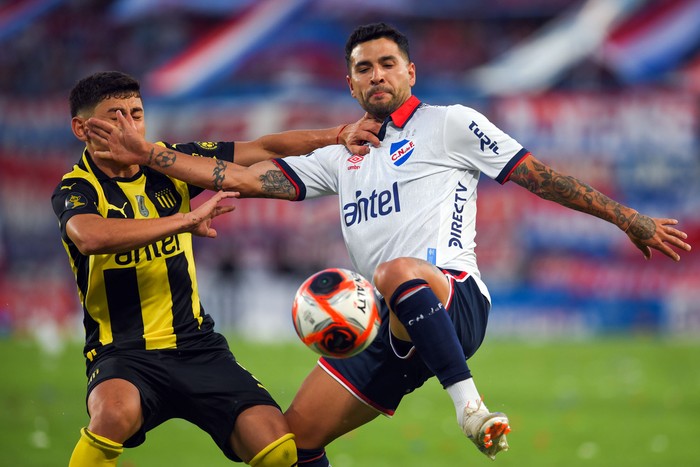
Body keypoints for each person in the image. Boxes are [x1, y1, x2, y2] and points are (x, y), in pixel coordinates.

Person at [86, 23, 692, 464]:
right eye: (363, 68)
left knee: (398, 269)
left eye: (387, 63)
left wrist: (627, 219)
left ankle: (471, 409)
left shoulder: (451, 123)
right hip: (382, 324)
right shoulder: (342, 157)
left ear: (410, 73)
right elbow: (245, 177)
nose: (376, 74)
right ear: (350, 83)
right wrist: (153, 155)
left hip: (452, 300)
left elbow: (540, 176)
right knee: (285, 445)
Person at [52, 70, 380, 467]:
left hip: (195, 345)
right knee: (112, 415)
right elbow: (90, 236)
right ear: (82, 128)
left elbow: (262, 146)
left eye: (136, 114)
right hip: (122, 352)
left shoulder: (168, 163)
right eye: (115, 116)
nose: (129, 126)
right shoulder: (77, 188)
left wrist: (338, 133)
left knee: (276, 448)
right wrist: (184, 222)